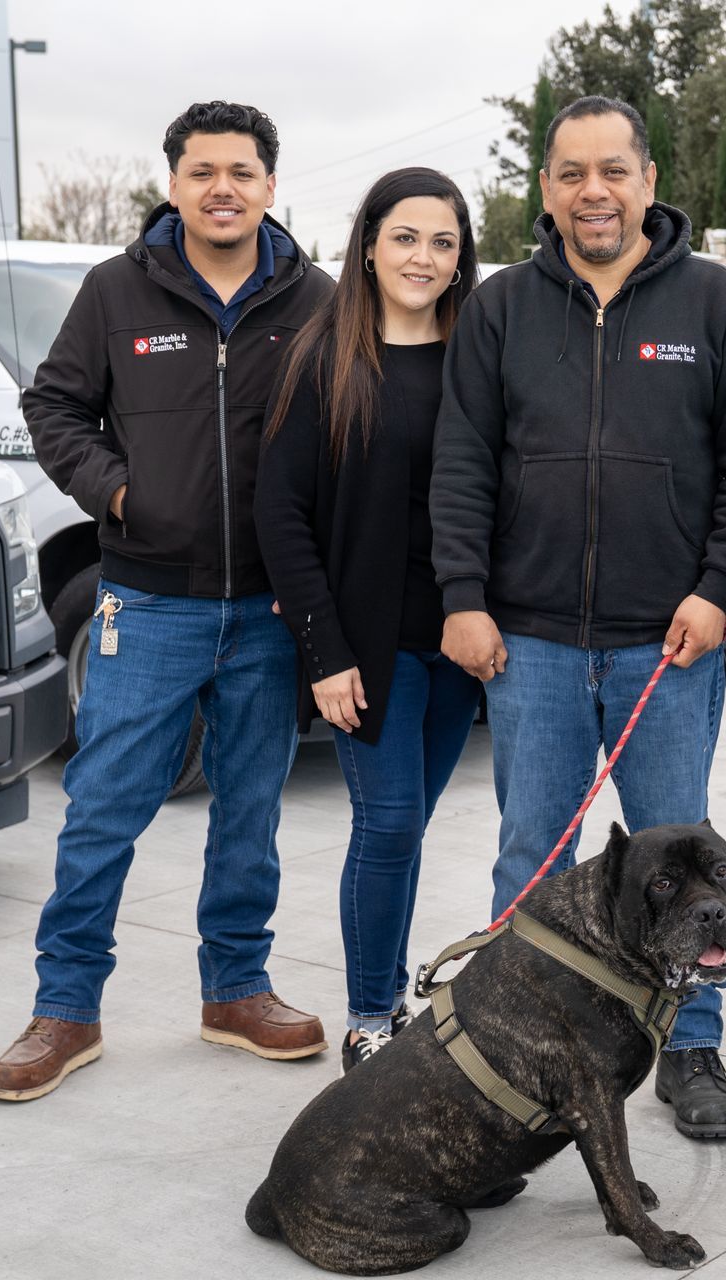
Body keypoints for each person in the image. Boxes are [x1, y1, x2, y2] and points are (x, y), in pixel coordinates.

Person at [432, 95, 726, 1140]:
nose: (594, 191)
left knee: (685, 870)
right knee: (533, 851)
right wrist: (462, 595)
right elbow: (460, 463)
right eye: (573, 172)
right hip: (528, 640)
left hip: (665, 644)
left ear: (648, 179)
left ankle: (692, 1045)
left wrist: (715, 589)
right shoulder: (499, 310)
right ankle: (510, 1044)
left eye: (613, 171)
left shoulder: (715, 304)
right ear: (546, 189)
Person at [0, 101, 335, 1102]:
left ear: (271, 185)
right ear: (174, 183)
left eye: (241, 170)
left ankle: (235, 988)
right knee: (101, 810)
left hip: (268, 609)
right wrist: (119, 491)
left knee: (249, 813)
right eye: (201, 170)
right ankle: (65, 1007)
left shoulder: (313, 298)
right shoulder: (115, 293)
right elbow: (52, 404)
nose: (221, 186)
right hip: (148, 602)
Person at [256, 168, 483, 1074]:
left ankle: (390, 993)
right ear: (370, 244)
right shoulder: (323, 358)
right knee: (386, 825)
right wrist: (325, 650)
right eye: (405, 237)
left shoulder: (478, 355)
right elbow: (282, 514)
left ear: (461, 257)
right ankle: (369, 1018)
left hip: (458, 644)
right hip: (367, 646)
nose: (423, 257)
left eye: (443, 242)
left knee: (407, 829)